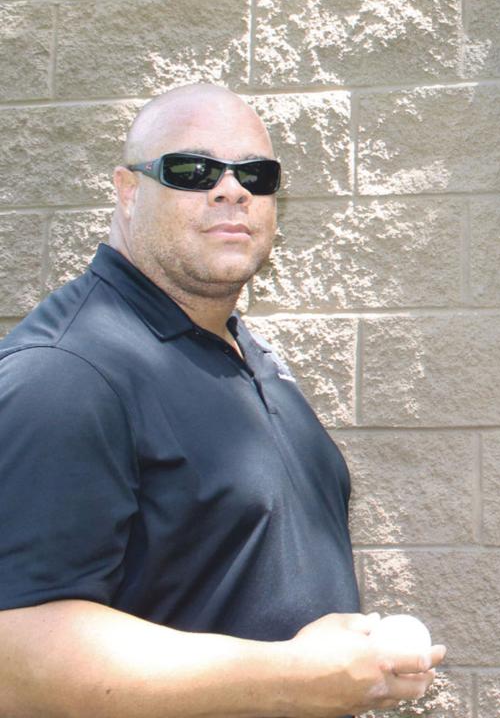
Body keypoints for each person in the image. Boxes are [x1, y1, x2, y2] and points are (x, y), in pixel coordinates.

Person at [0, 83, 445, 717]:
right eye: (193, 170)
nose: (232, 190)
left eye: (256, 175)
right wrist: (292, 675)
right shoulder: (67, 374)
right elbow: (13, 657)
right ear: (128, 192)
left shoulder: (244, 353)